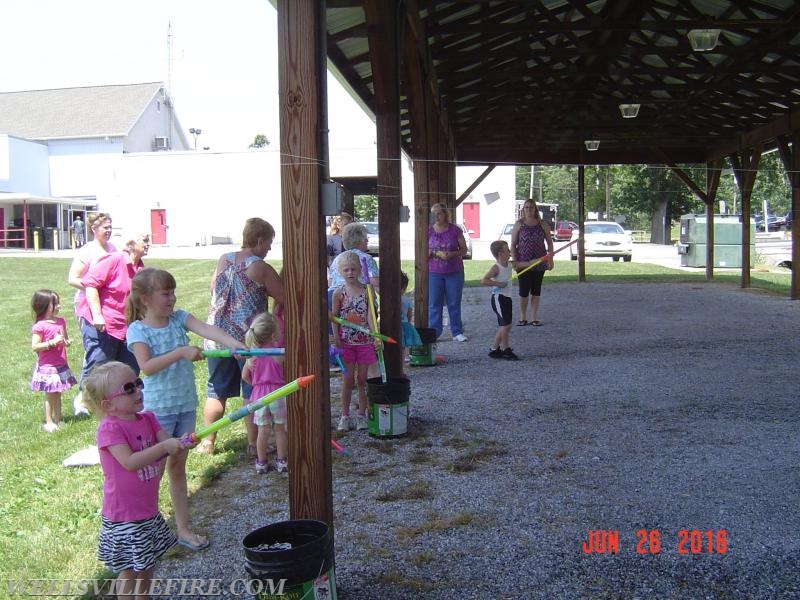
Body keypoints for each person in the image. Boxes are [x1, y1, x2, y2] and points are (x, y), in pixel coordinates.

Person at [126, 268, 246, 551]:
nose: (172, 298)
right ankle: (144, 530)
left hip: (184, 405)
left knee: (178, 467)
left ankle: (182, 529)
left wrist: (233, 344)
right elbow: (146, 367)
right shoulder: (138, 330)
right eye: (165, 293)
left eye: (173, 292)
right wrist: (181, 352)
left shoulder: (179, 319)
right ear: (145, 299)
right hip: (157, 412)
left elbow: (207, 329)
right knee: (152, 472)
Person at [83, 361, 193, 600]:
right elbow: (130, 461)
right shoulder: (109, 429)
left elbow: (167, 442)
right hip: (124, 515)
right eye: (129, 388)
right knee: (130, 571)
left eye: (138, 384)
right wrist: (165, 446)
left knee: (147, 565)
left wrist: (180, 442)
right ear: (108, 404)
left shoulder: (148, 418)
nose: (139, 391)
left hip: (147, 511)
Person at [199, 217, 284, 456]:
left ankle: (208, 442)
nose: (269, 249)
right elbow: (284, 295)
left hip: (217, 335)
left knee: (216, 390)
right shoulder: (259, 267)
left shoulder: (224, 259)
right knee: (252, 389)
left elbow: (212, 288)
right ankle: (252, 443)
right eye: (268, 243)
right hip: (249, 340)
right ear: (259, 240)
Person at [76, 233, 149, 380]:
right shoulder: (114, 260)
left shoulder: (140, 268)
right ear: (131, 244)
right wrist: (97, 315)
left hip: (126, 327)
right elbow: (90, 285)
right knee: (98, 373)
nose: (148, 244)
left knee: (128, 372)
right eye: (145, 241)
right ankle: (87, 403)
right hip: (102, 326)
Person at [67, 212, 116, 417]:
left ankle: (102, 394)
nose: (109, 230)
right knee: (95, 353)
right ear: (94, 229)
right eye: (105, 227)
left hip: (109, 309)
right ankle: (82, 399)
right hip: (88, 309)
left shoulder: (113, 249)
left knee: (107, 354)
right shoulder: (87, 251)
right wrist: (95, 287)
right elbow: (72, 278)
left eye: (110, 226)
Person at [331, 251, 379, 431]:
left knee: (362, 379)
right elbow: (334, 317)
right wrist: (336, 337)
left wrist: (375, 336)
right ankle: (344, 415)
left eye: (353, 269)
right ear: (340, 272)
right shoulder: (338, 293)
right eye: (346, 270)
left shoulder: (366, 290)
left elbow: (371, 315)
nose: (350, 273)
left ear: (359, 270)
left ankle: (361, 414)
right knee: (348, 379)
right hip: (346, 343)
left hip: (364, 342)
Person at [241, 312, 288, 475]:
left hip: (258, 396)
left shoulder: (252, 356)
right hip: (278, 394)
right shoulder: (279, 353)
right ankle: (282, 461)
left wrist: (256, 385)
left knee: (263, 430)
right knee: (280, 429)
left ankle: (261, 463)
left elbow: (244, 376)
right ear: (274, 335)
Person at [30, 290, 77, 432]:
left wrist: (66, 342)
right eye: (54, 303)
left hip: (61, 364)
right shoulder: (40, 326)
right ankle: (49, 422)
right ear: (44, 306)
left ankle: (58, 419)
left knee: (58, 392)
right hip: (48, 366)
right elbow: (35, 346)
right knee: (50, 394)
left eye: (58, 303)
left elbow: (65, 339)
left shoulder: (61, 321)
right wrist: (51, 343)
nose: (58, 306)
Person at [428, 202, 469, 342]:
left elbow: (464, 249)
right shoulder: (428, 231)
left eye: (439, 213)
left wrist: (451, 254)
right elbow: (422, 250)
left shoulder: (454, 230)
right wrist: (430, 252)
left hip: (454, 271)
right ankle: (435, 331)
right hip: (434, 272)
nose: (436, 216)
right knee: (434, 303)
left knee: (454, 302)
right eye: (434, 214)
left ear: (445, 214)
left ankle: (457, 331)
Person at [510, 199, 554, 326]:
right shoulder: (519, 224)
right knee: (523, 290)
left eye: (531, 207)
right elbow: (513, 243)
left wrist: (550, 259)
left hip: (539, 262)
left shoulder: (542, 224)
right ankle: (523, 317)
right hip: (523, 262)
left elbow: (549, 243)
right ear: (523, 209)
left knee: (536, 289)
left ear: (535, 209)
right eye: (526, 207)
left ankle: (534, 317)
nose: (529, 210)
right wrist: (515, 260)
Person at [481, 241, 519, 360]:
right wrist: (499, 284)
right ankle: (506, 350)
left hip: (507, 298)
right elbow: (484, 280)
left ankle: (494, 350)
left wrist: (541, 259)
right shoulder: (496, 268)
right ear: (500, 253)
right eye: (507, 250)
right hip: (498, 298)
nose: (509, 252)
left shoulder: (509, 264)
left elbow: (525, 263)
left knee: (506, 325)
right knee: (505, 325)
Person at [399, 271, 422, 364]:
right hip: (404, 324)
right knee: (403, 346)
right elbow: (409, 314)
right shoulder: (407, 300)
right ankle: (403, 360)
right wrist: (407, 321)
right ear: (404, 288)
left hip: (395, 326)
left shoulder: (388, 299)